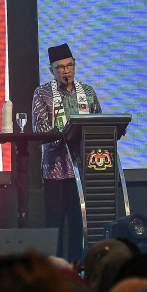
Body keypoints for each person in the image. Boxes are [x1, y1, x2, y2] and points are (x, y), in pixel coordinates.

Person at [31, 43, 103, 263]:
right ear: (52, 70)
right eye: (60, 67)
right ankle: (54, 271)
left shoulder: (88, 91)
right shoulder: (42, 93)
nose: (66, 71)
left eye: (69, 66)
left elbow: (100, 121)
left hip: (83, 169)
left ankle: (77, 269)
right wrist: (65, 131)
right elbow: (40, 129)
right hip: (56, 171)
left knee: (79, 226)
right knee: (55, 226)